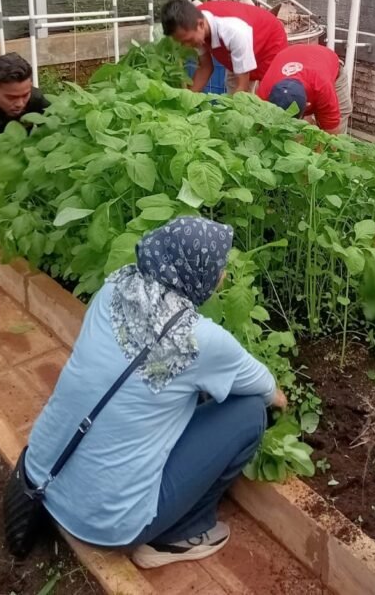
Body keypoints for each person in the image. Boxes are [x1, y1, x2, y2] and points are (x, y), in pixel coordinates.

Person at [24, 216, 285, 569]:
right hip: (108, 524)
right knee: (250, 411)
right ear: (199, 275)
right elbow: (271, 393)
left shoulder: (112, 290)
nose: (223, 274)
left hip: (39, 474)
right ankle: (179, 534)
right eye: (219, 266)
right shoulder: (199, 340)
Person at [160, 0, 287, 94]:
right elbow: (205, 68)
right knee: (232, 85)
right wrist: (185, 100)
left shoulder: (233, 31)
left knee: (270, 94)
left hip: (268, 42)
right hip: (238, 45)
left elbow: (242, 87)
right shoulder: (192, 27)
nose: (186, 46)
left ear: (201, 25)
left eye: (187, 40)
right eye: (182, 42)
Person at [256, 43, 352, 134]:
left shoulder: (322, 87)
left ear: (307, 105)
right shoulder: (264, 92)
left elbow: (331, 132)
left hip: (325, 61)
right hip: (293, 55)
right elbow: (260, 126)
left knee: (341, 113)